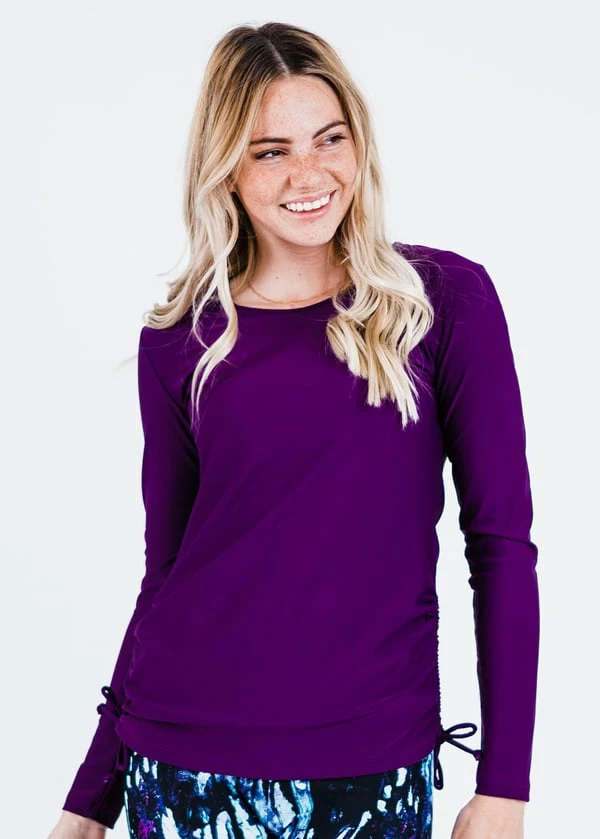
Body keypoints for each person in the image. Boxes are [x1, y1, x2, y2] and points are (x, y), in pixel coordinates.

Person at [48, 20, 540, 839]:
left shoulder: (441, 303)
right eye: (270, 150)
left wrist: (506, 784)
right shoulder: (182, 339)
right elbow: (165, 573)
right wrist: (89, 796)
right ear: (227, 169)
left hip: (371, 769)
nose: (308, 174)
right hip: (182, 769)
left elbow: (501, 546)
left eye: (328, 138)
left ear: (359, 142)